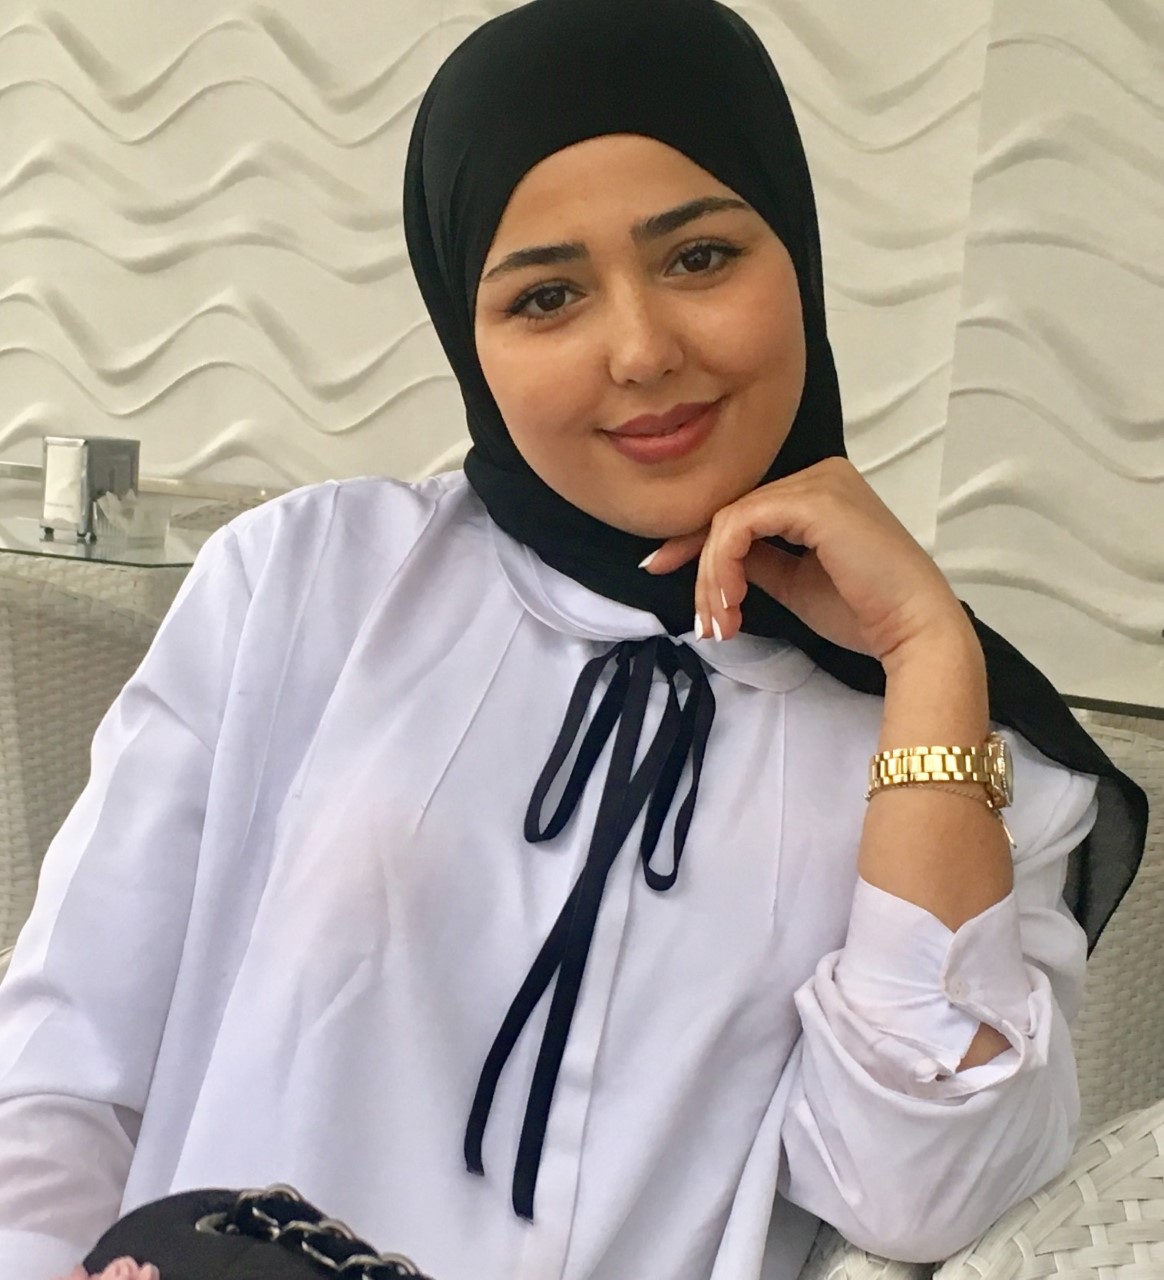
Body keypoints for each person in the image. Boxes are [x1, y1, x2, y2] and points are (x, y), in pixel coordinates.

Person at [0, 1, 1147, 1278]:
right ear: (469, 332)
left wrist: (929, 659)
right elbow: (59, 1068)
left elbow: (920, 1193)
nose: (643, 351)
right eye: (547, 295)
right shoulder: (303, 581)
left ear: (797, 257)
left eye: (700, 257)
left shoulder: (967, 743)